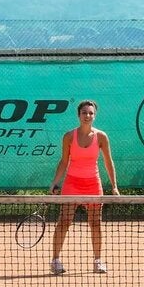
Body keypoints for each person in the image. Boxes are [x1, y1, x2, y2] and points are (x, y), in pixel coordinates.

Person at [49, 99, 120, 275]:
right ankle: (55, 260)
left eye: (91, 113)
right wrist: (55, 182)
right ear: (78, 115)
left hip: (93, 184)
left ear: (94, 116)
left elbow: (108, 162)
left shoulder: (101, 137)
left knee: (95, 223)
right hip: (72, 183)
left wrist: (114, 186)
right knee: (64, 222)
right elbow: (64, 161)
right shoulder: (68, 137)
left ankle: (97, 261)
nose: (87, 115)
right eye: (84, 113)